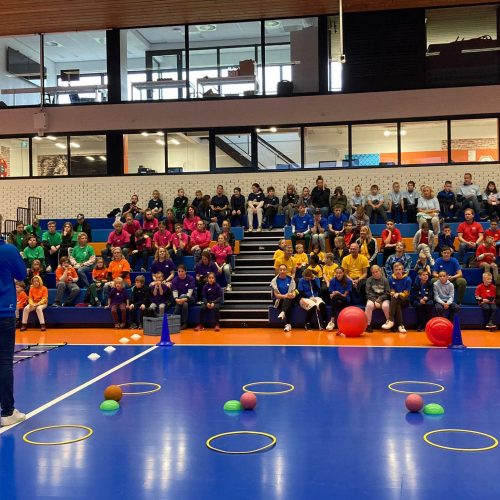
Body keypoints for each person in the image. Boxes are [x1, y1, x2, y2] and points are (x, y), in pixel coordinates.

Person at [0, 234, 27, 426]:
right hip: (3, 312)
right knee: (4, 362)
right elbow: (22, 274)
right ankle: (7, 411)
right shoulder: (8, 250)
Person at [382, 262, 411, 333]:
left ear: (402, 270)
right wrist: (394, 294)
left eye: (400, 269)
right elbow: (392, 291)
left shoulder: (408, 279)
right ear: (393, 271)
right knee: (396, 301)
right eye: (396, 269)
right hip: (396, 299)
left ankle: (390, 320)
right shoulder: (391, 279)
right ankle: (400, 325)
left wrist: (398, 294)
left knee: (396, 298)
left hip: (405, 299)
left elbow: (406, 293)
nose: (398, 271)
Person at [270, 264, 296, 333]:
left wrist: (293, 295)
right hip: (278, 301)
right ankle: (288, 324)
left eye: (284, 269)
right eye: (280, 269)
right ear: (278, 271)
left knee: (288, 301)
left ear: (286, 271)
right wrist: (286, 296)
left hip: (289, 299)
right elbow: (276, 295)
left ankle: (283, 312)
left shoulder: (291, 280)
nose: (282, 271)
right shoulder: (274, 281)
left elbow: (293, 292)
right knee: (288, 303)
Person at [364, 265, 390, 332]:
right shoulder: (369, 280)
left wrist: (380, 299)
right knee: (369, 305)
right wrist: (375, 300)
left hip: (383, 299)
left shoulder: (385, 280)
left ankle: (390, 323)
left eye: (376, 271)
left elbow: (387, 293)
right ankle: (367, 325)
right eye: (373, 272)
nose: (375, 274)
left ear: (380, 271)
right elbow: (368, 292)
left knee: (386, 306)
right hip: (373, 299)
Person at [326, 267, 352, 331]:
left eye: (340, 273)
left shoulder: (348, 281)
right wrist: (333, 294)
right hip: (336, 300)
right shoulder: (332, 280)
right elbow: (331, 293)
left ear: (343, 273)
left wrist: (338, 293)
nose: (338, 275)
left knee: (336, 298)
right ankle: (341, 323)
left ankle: (332, 321)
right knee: (337, 300)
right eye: (337, 273)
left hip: (345, 299)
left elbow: (345, 295)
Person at [172, 264, 196, 329]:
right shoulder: (175, 280)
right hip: (180, 300)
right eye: (179, 271)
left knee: (183, 296)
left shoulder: (190, 278)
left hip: (191, 298)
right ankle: (184, 323)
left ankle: (174, 317)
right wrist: (176, 299)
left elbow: (190, 292)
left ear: (185, 271)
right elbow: (175, 291)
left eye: (182, 271)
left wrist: (183, 298)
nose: (180, 273)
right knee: (185, 304)